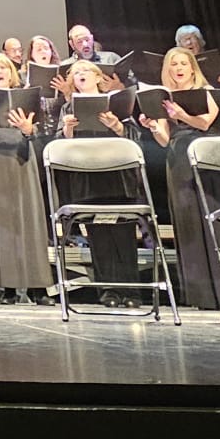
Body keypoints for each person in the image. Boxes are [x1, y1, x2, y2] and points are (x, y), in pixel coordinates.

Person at [53, 61, 148, 307]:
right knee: (99, 236)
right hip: (87, 178)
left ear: (98, 77)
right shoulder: (67, 107)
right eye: (76, 73)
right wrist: (68, 130)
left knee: (124, 235)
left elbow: (135, 138)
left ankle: (132, 291)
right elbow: (57, 146)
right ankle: (108, 291)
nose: (80, 75)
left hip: (117, 177)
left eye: (85, 71)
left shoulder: (116, 102)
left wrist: (116, 125)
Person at [139, 46, 220, 308]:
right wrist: (154, 125)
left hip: (205, 152)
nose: (178, 68)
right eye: (173, 65)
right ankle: (200, 294)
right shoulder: (164, 96)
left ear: (192, 67)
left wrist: (183, 115)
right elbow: (165, 140)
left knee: (213, 217)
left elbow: (205, 123)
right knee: (188, 221)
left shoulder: (206, 91)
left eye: (182, 63)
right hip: (178, 157)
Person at [0, 55, 51, 304]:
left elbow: (42, 135)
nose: (0, 71)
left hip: (22, 162)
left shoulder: (25, 98)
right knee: (2, 226)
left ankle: (39, 288)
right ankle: (9, 288)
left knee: (30, 224)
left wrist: (28, 129)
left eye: (4, 67)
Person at [175, 24, 220, 89]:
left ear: (199, 41)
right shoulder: (178, 71)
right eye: (184, 40)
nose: (188, 43)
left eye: (191, 38)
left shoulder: (219, 66)